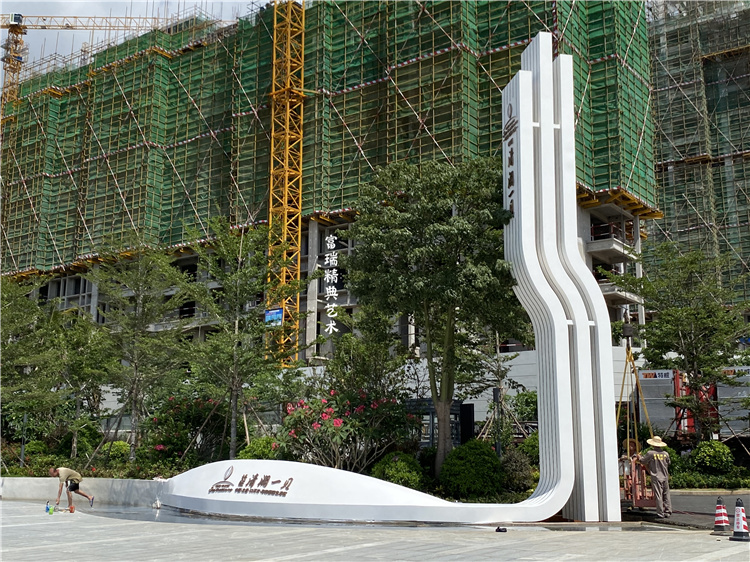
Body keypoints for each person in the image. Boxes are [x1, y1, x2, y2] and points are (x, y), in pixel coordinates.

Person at [635, 436, 672, 518]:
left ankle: (660, 513)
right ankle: (668, 511)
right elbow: (668, 463)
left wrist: (639, 457)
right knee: (666, 494)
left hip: (656, 476)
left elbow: (642, 461)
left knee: (658, 495)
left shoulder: (651, 453)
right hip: (665, 475)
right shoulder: (665, 454)